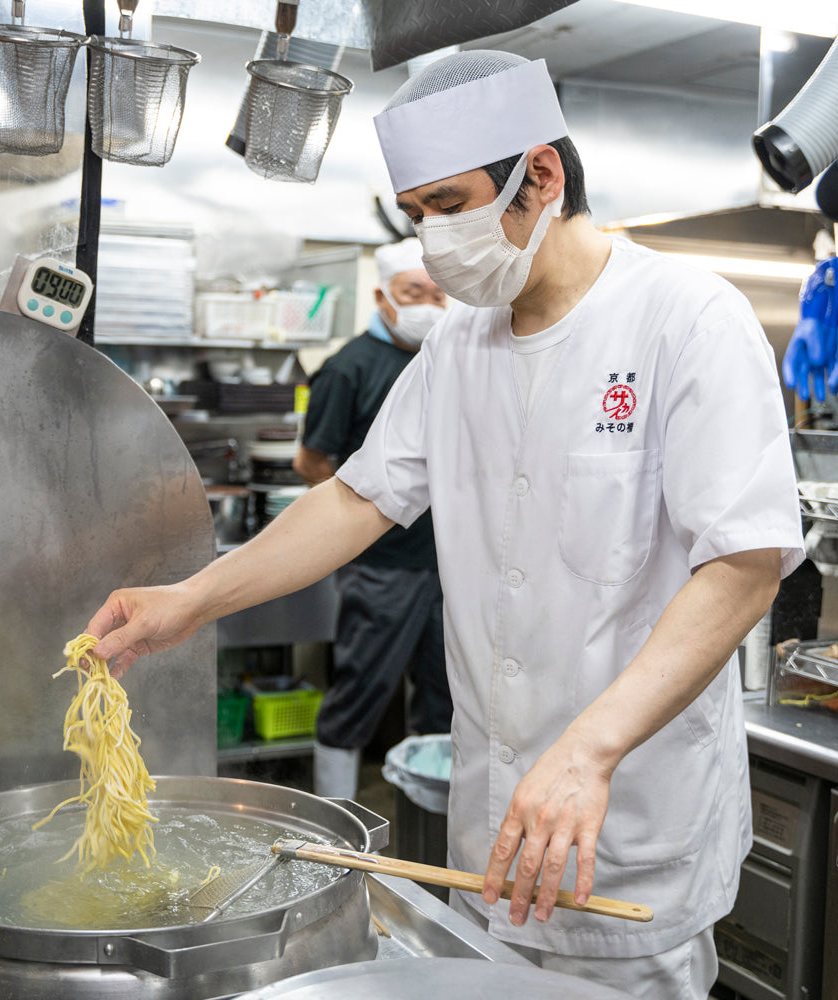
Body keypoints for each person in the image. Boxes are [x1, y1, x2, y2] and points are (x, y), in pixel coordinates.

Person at [84, 50, 804, 1000]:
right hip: (493, 831)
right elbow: (356, 499)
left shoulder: (686, 320)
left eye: (451, 203)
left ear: (540, 175)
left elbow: (745, 564)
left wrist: (588, 750)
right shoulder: (462, 343)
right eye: (418, 214)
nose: (435, 239)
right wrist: (191, 600)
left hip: (626, 826)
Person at [293, 238, 451, 799]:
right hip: (383, 565)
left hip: (449, 565)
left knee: (446, 694)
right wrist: (364, 521)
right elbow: (311, 460)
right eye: (415, 293)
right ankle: (332, 823)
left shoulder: (447, 360)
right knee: (361, 689)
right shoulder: (348, 367)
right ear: (384, 295)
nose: (428, 305)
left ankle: (432, 825)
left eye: (439, 294)